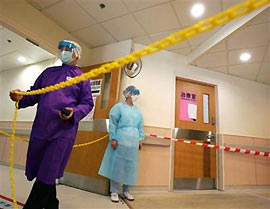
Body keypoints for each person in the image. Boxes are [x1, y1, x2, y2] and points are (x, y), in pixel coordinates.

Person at [9, 40, 94, 209]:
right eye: (61, 49)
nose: (63, 52)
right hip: (41, 128)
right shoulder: (48, 73)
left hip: (62, 133)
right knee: (43, 170)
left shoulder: (81, 78)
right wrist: (21, 97)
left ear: (77, 54)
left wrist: (73, 112)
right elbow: (34, 94)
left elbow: (87, 103)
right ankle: (52, 204)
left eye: (68, 49)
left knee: (47, 171)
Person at [98, 86, 144, 203]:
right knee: (117, 166)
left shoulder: (138, 111)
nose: (136, 96)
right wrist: (113, 138)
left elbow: (140, 127)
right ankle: (114, 191)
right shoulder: (118, 107)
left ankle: (126, 190)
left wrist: (140, 139)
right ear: (128, 94)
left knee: (130, 167)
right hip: (121, 140)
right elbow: (113, 124)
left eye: (137, 94)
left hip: (133, 142)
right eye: (134, 93)